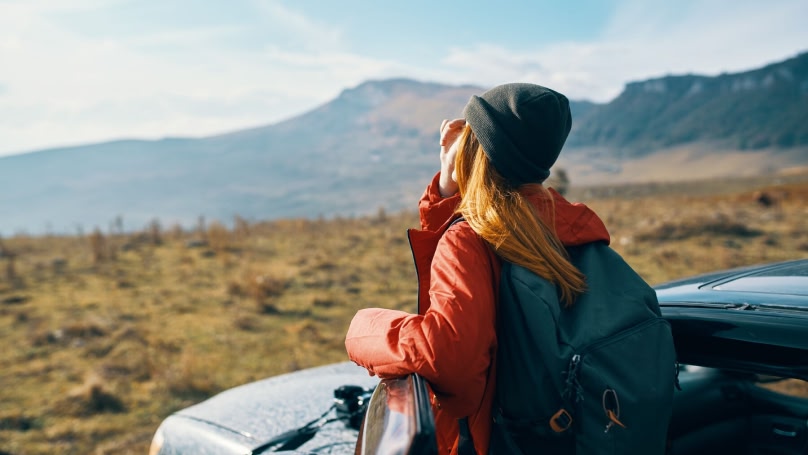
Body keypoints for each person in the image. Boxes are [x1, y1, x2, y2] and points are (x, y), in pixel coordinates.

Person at [345, 83, 611, 455]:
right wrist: (447, 184)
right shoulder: (575, 227)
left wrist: (361, 329)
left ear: (476, 147)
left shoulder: (473, 238)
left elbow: (447, 357)